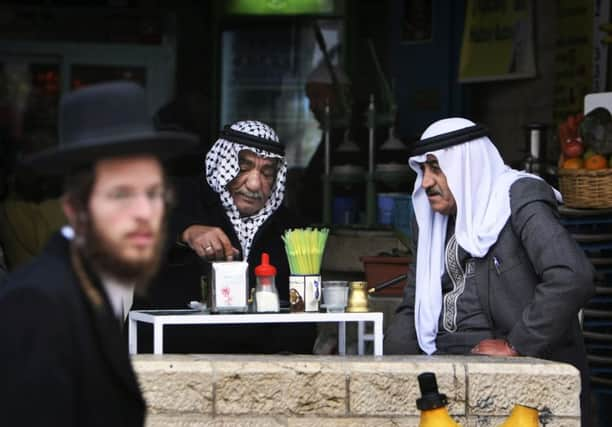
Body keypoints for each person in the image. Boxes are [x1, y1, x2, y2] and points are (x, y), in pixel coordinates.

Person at [0, 81, 197, 426]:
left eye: (153, 193)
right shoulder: (36, 303)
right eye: (121, 194)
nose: (143, 213)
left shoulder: (100, 288)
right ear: (75, 209)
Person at [384, 117, 595, 426]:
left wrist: (516, 344)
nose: (426, 182)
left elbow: (572, 275)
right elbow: (414, 300)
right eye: (423, 170)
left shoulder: (518, 199)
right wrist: (390, 371)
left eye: (436, 168)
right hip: (440, 366)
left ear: (465, 167)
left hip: (506, 370)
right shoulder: (431, 217)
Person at [139, 120, 317, 354]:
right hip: (174, 356)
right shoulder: (180, 198)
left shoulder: (291, 230)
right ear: (223, 163)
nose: (254, 184)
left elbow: (300, 323)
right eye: (244, 167)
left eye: (267, 173)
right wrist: (186, 233)